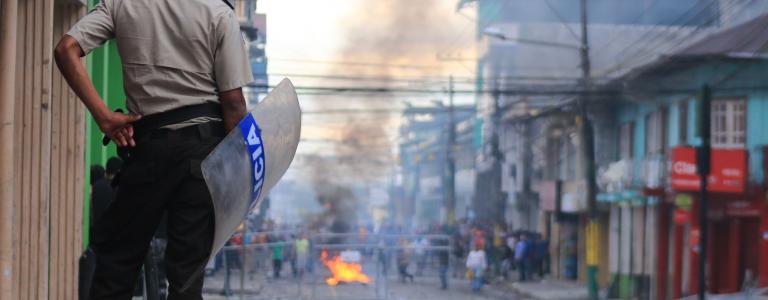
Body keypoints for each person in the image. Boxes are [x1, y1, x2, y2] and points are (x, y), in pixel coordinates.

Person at [54, 0, 253, 298]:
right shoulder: (219, 12)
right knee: (186, 277)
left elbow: (65, 49)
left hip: (148, 149)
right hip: (204, 157)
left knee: (117, 264)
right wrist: (238, 174)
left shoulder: (120, 4)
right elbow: (234, 104)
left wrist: (104, 117)